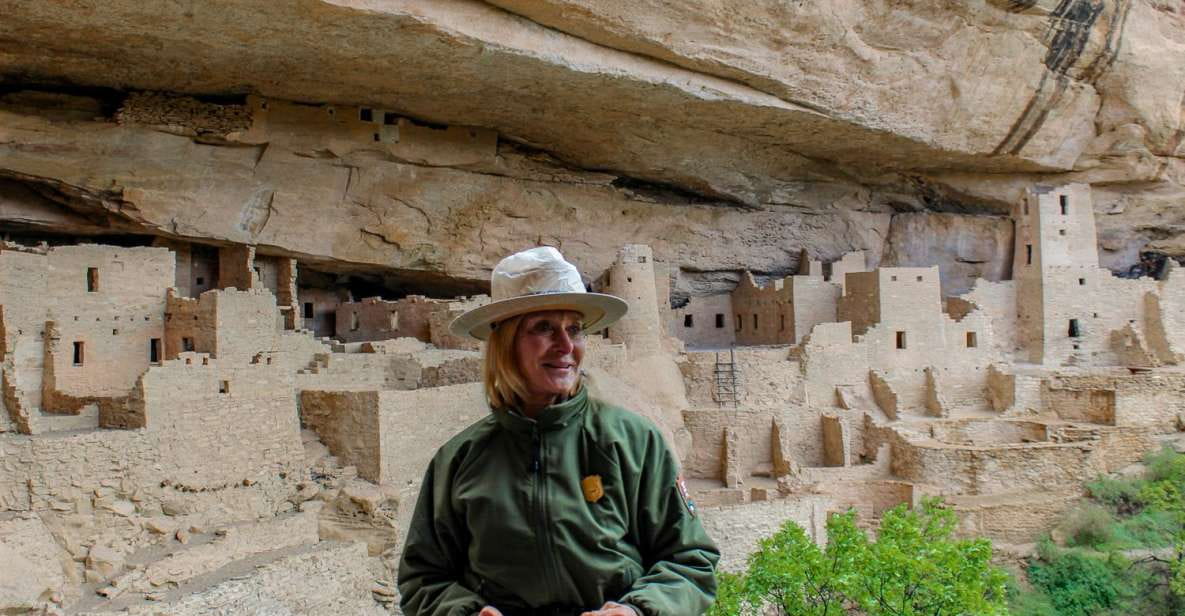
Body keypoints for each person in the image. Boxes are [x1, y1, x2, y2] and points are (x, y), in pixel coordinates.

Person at [398, 247, 720, 616]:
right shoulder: (460, 459)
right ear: (506, 343)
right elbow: (423, 579)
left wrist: (638, 610)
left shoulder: (632, 442)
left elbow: (690, 561)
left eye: (574, 329)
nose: (566, 346)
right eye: (544, 328)